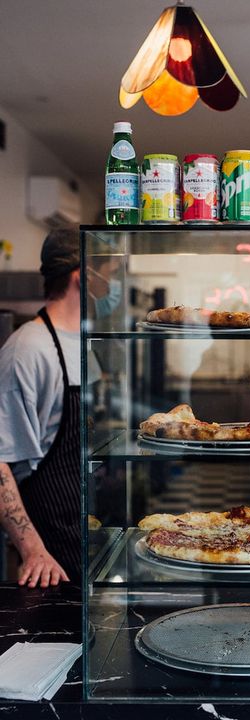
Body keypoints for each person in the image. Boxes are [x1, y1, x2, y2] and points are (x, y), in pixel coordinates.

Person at [0, 228, 81, 587]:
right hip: (51, 553)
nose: (114, 288)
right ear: (81, 278)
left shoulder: (84, 339)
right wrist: (33, 550)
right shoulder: (28, 349)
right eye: (108, 276)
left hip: (85, 530)